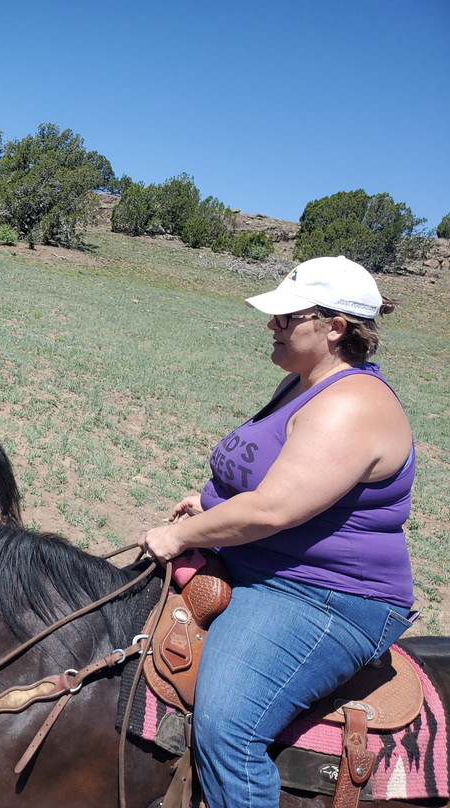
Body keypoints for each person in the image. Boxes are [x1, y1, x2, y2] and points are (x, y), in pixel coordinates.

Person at [139, 255, 416, 808]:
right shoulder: (302, 382)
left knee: (228, 727)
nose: (273, 325)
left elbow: (274, 509)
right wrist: (213, 504)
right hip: (261, 561)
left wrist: (183, 534)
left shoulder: (352, 404)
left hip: (324, 596)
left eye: (287, 317)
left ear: (335, 327)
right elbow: (281, 476)